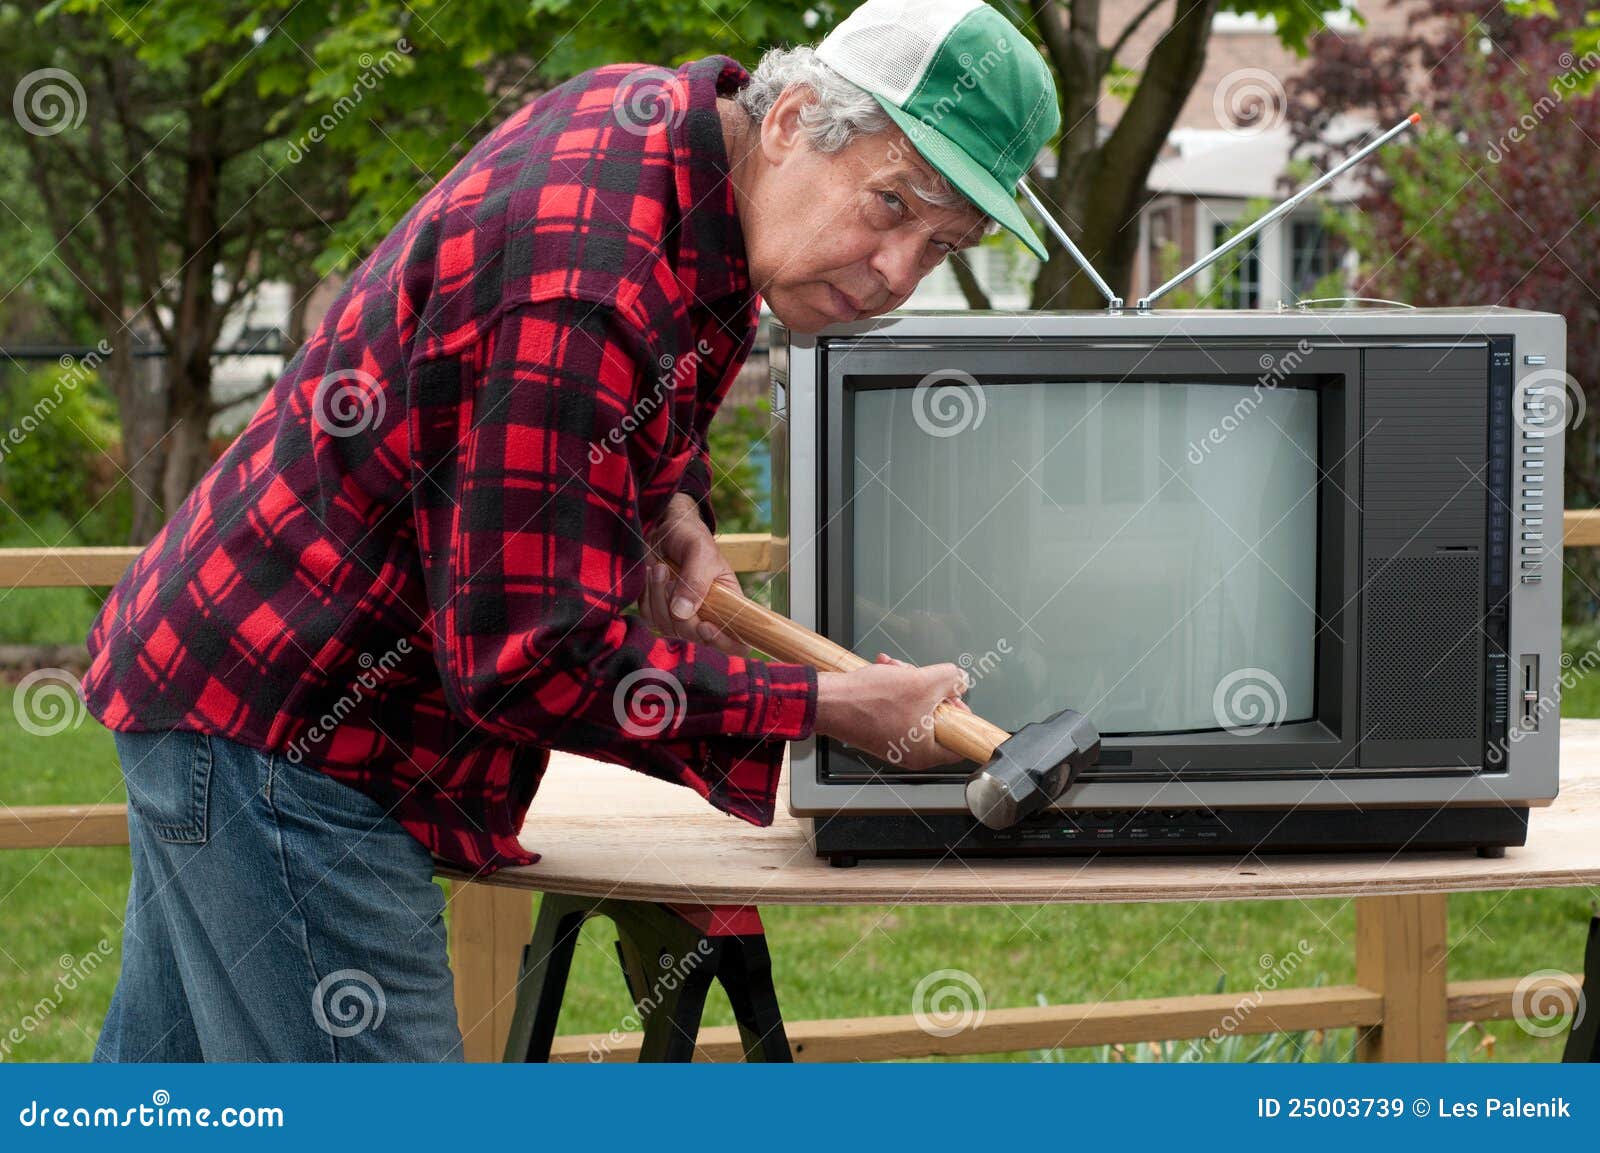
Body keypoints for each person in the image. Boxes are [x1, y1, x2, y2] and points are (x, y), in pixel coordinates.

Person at [82, 0, 1062, 1061]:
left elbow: (607, 406)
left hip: (233, 688)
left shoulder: (672, 142)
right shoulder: (591, 277)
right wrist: (829, 708)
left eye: (942, 245)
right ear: (792, 124)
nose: (895, 275)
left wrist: (671, 501)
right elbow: (525, 658)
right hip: (292, 735)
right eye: (890, 205)